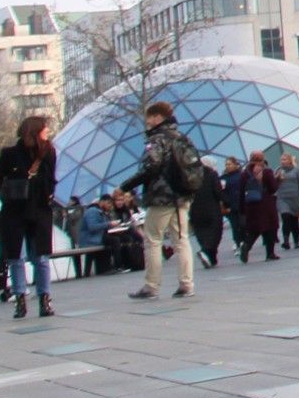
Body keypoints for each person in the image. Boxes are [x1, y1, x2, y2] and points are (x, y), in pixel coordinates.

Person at [122, 100, 204, 297]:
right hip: (182, 195)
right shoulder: (181, 137)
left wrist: (125, 187)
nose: (147, 121)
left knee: (152, 240)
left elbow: (151, 167)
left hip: (161, 197)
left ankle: (151, 286)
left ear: (158, 117)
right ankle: (186, 284)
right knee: (182, 240)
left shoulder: (158, 139)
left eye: (149, 117)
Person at [0, 116, 60, 318]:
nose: (48, 132)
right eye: (45, 129)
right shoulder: (9, 154)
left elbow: (51, 179)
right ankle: (20, 299)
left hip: (38, 210)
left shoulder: (48, 152)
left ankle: (44, 299)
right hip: (14, 212)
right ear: (34, 131)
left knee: (41, 258)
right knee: (16, 257)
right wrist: (7, 196)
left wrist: (47, 194)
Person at [240, 151, 282, 261]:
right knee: (270, 228)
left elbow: (241, 191)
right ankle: (270, 253)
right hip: (266, 203)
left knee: (254, 230)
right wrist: (277, 179)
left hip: (250, 204)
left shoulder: (245, 173)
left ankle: (246, 245)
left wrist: (242, 208)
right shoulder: (266, 171)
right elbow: (273, 188)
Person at [190, 154, 226, 268]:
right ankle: (205, 251)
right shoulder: (211, 174)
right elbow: (217, 191)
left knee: (202, 233)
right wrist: (226, 202)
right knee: (215, 232)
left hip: (195, 210)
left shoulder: (191, 175)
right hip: (211, 209)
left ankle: (211, 258)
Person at [275, 150, 299, 250]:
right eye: (281, 160)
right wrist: (276, 178)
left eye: (284, 159)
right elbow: (273, 184)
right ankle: (286, 240)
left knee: (294, 220)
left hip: (295, 198)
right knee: (285, 217)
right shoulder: (278, 170)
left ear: (290, 161)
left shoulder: (297, 171)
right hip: (282, 198)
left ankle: (296, 240)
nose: (282, 161)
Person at [75, 196, 112, 276]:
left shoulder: (99, 211)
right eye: (108, 203)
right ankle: (109, 267)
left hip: (94, 239)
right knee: (111, 240)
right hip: (90, 240)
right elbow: (92, 227)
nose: (110, 206)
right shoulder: (93, 211)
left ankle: (103, 269)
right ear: (101, 202)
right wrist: (108, 224)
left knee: (109, 241)